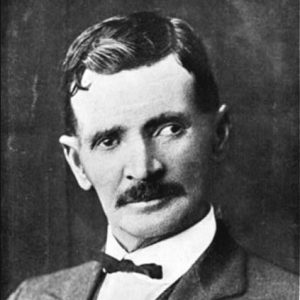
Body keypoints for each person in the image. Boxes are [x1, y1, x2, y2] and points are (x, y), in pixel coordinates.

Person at [8, 11, 298, 300]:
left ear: (219, 133)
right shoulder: (29, 297)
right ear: (77, 163)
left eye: (168, 129)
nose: (143, 168)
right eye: (109, 140)